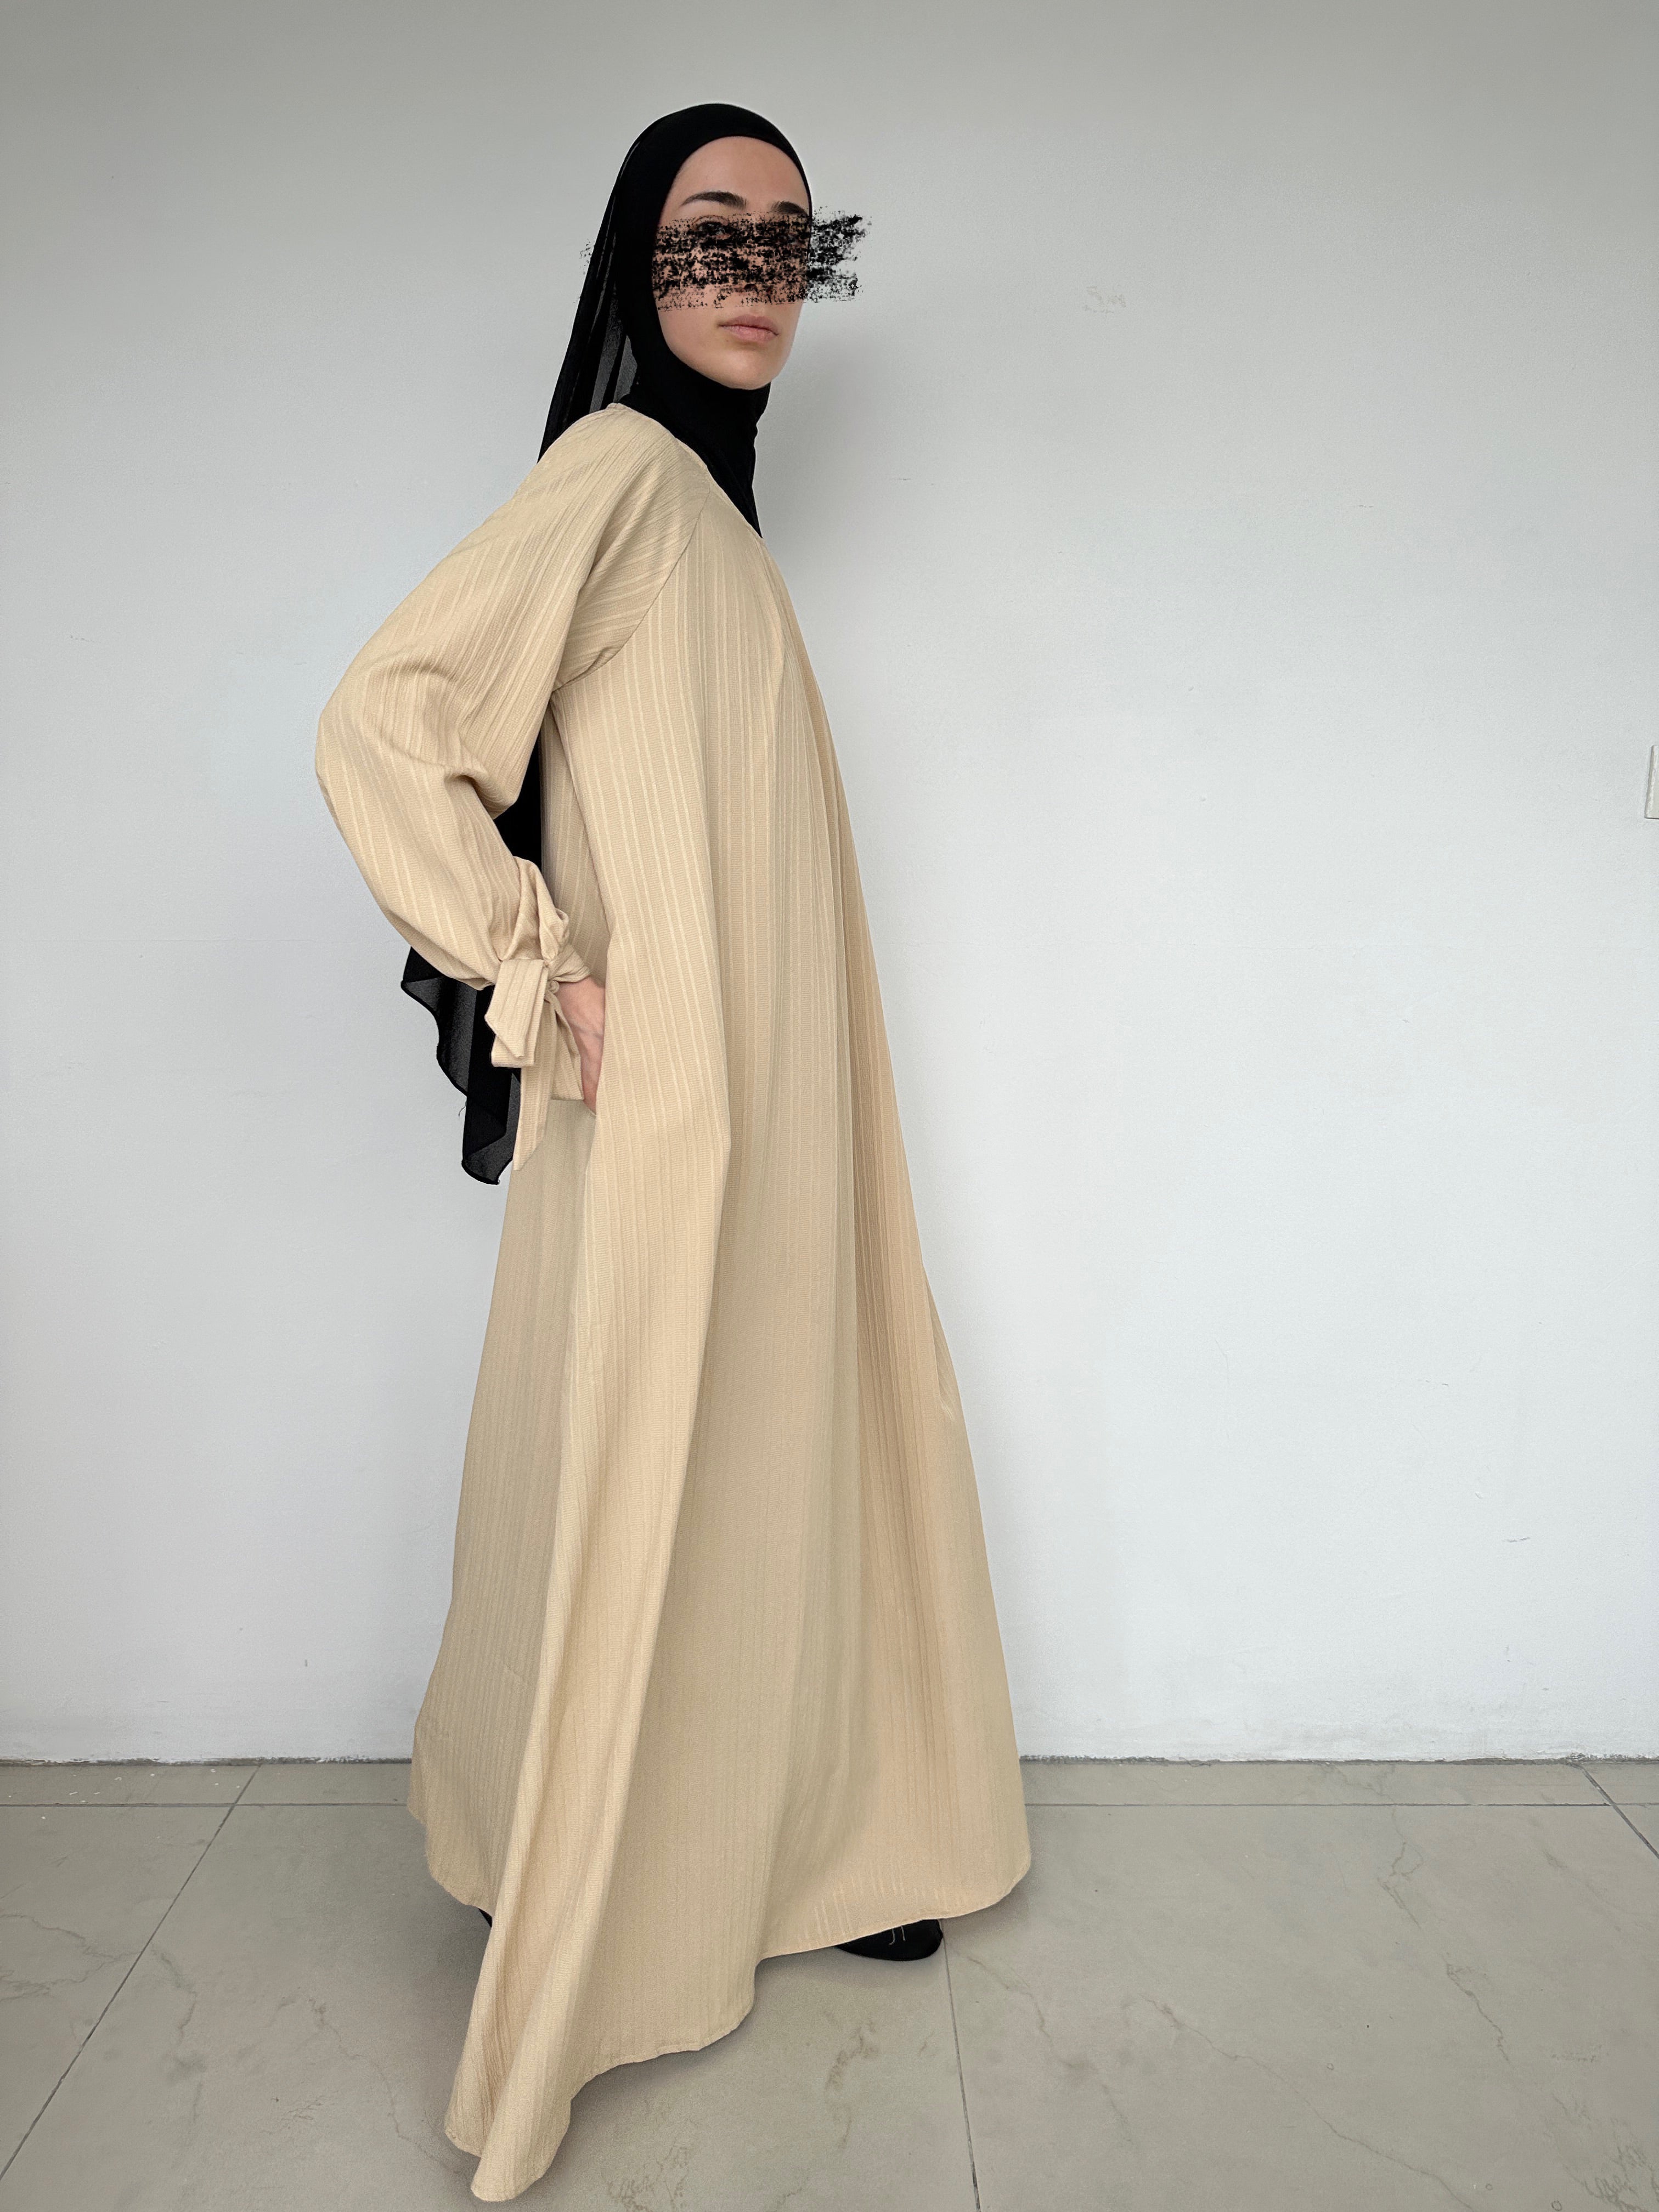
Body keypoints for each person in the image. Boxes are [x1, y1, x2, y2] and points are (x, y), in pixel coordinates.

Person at [315, 103, 1029, 2204]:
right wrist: (530, 962)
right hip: (672, 1105)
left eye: (789, 243)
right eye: (714, 231)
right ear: (641, 258)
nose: (755, 274)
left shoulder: (713, 524)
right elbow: (385, 717)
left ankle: (805, 1846)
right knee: (640, 1458)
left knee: (774, 1453)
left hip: (783, 1098)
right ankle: (578, 1875)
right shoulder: (623, 474)